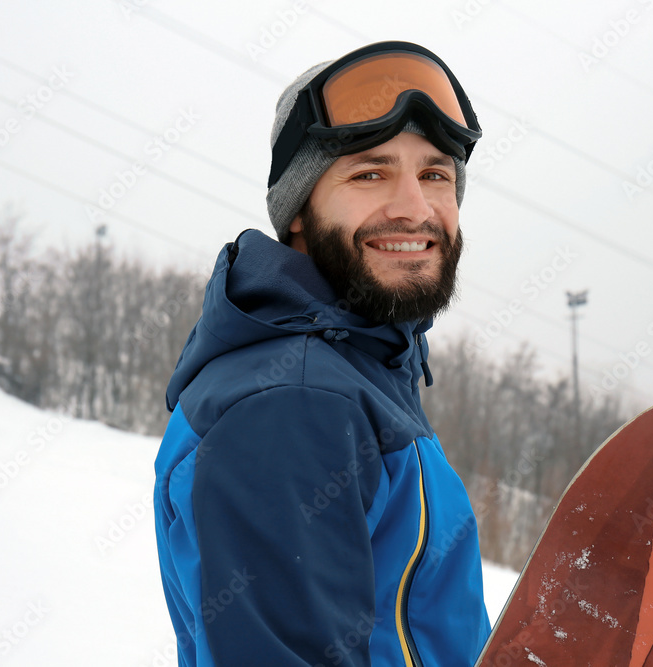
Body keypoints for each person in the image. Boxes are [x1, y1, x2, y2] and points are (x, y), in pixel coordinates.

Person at [154, 41, 491, 666]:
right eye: (370, 173)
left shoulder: (362, 369)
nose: (415, 209)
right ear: (300, 212)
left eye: (435, 174)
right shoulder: (295, 402)